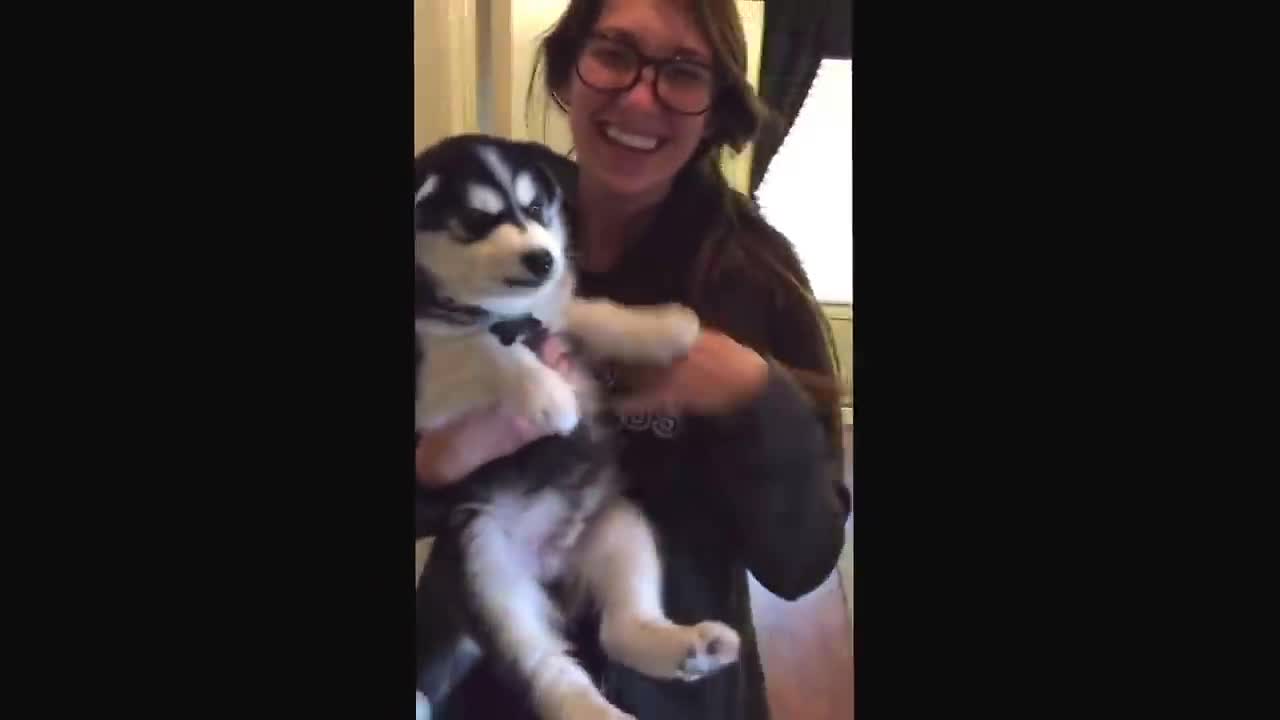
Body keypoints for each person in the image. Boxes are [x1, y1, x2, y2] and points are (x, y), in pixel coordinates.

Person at [415, 0, 851, 718]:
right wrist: (433, 465)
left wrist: (753, 397)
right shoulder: (467, 231)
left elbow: (802, 563)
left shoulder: (755, 275)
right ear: (568, 69)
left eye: (683, 73)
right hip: (486, 669)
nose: (641, 97)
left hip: (678, 686)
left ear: (715, 108)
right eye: (615, 54)